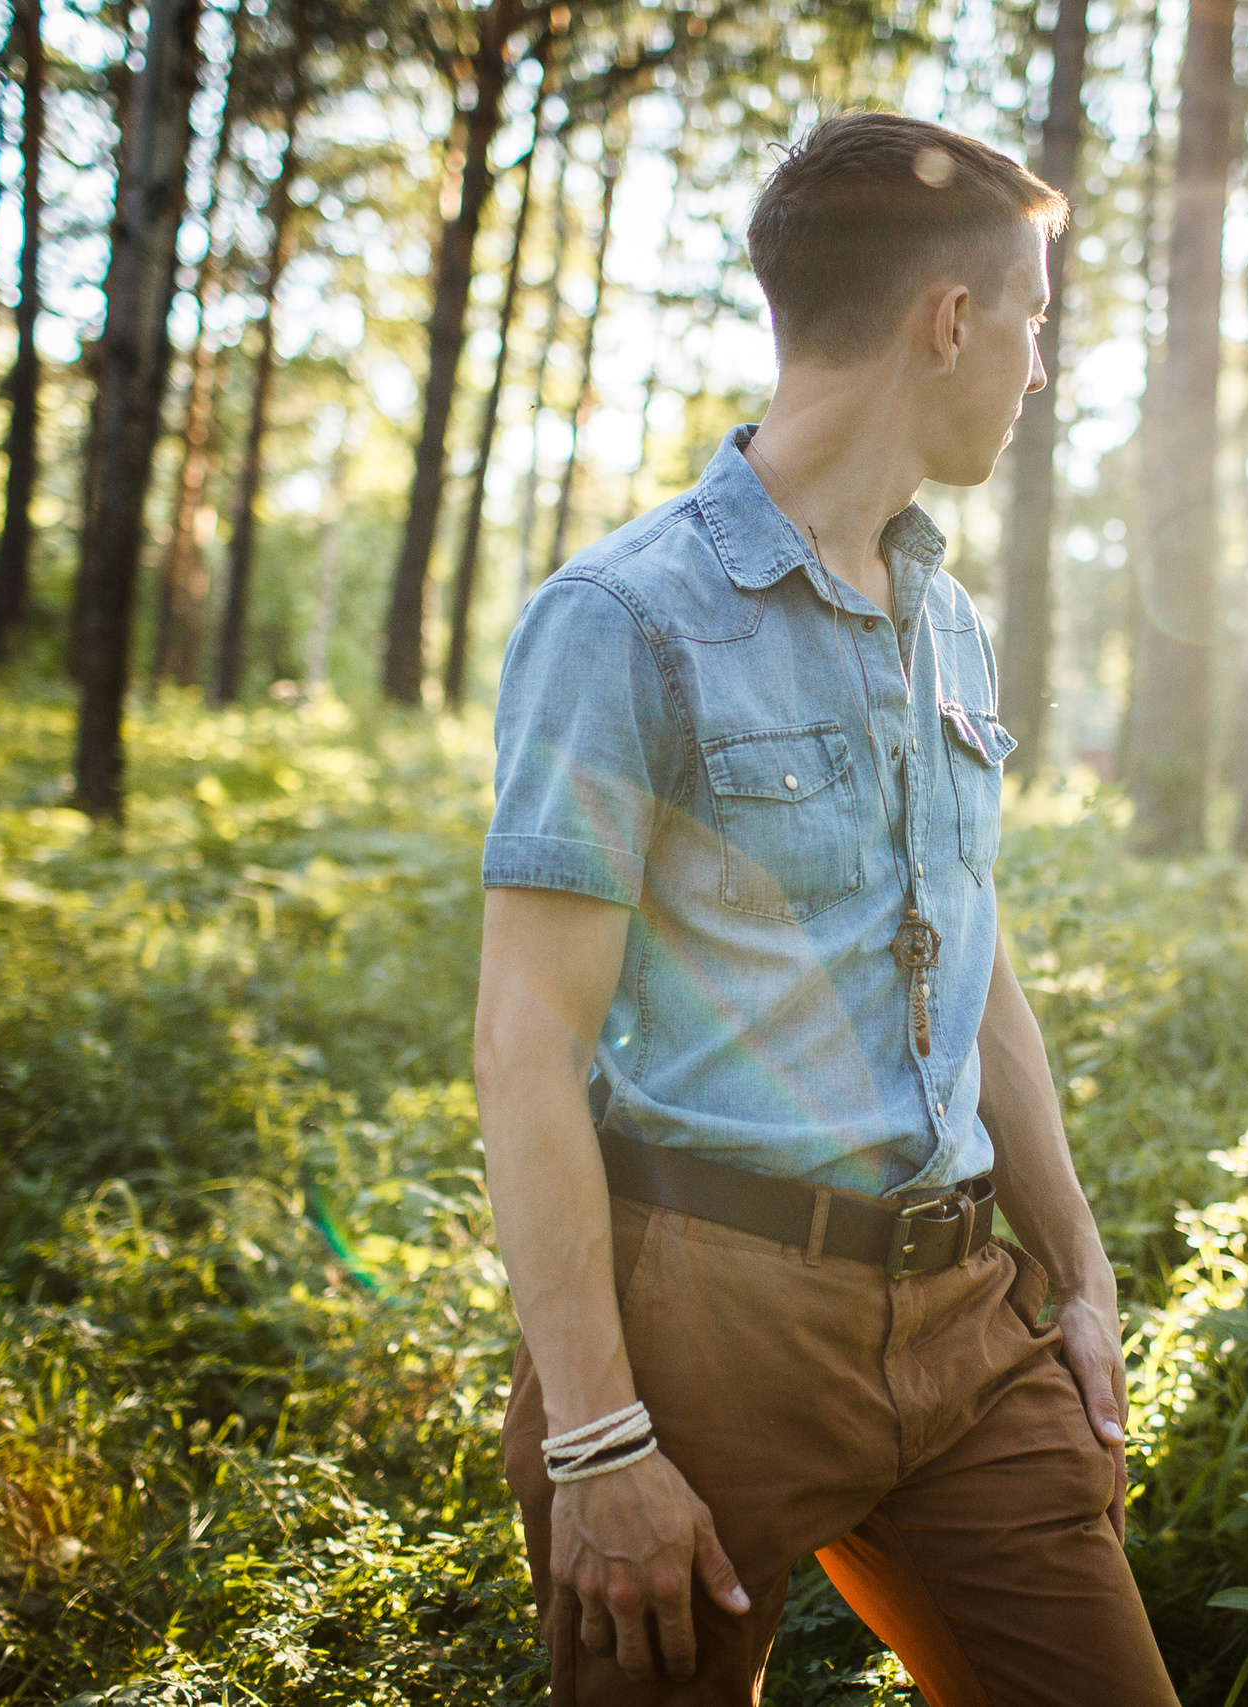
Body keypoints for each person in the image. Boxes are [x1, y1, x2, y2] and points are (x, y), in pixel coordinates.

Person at [473, 111, 1179, 1706]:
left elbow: (974, 961)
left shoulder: (949, 624)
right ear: (951, 321)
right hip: (700, 1334)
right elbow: (526, 1046)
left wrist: (1076, 1269)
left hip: (959, 1308)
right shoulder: (623, 620)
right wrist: (597, 1438)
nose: (1038, 366)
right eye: (1034, 320)